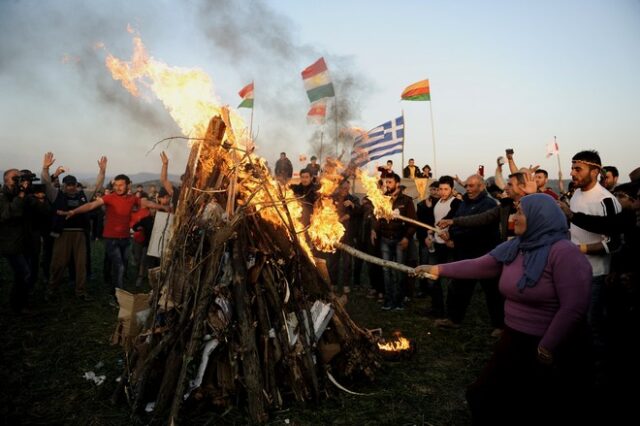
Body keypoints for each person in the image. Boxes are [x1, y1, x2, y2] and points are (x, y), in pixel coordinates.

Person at [416, 194, 593, 424]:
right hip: (515, 339)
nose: (513, 217)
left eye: (520, 212)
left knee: (542, 405)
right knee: (485, 397)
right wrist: (437, 269)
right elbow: (481, 265)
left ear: (540, 217)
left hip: (551, 345)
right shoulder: (515, 247)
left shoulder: (565, 253)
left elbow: (574, 307)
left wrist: (547, 347)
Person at [558, 150, 621, 385]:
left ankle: (598, 378)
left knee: (593, 328)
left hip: (594, 275)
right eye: (572, 168)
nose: (573, 173)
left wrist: (578, 250)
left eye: (578, 169)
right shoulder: (574, 195)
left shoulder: (605, 200)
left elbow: (613, 243)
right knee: (572, 324)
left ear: (595, 171)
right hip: (570, 274)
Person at [61, 173, 171, 301]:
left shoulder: (132, 199)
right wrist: (74, 211)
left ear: (128, 185)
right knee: (119, 266)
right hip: (111, 239)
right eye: (116, 185)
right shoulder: (109, 198)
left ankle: (115, 287)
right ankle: (116, 296)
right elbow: (91, 205)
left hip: (125, 239)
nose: (118, 188)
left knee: (122, 265)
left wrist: (163, 207)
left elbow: (146, 203)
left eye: (121, 185)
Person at [436, 175, 503, 331]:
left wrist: (456, 233)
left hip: (484, 253)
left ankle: (500, 325)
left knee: (492, 291)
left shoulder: (489, 204)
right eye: (466, 186)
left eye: (472, 186)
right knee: (458, 288)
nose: (468, 189)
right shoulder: (464, 203)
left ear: (481, 187)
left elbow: (478, 225)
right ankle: (453, 319)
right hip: (464, 253)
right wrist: (450, 235)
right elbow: (457, 221)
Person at [41, 152, 106, 301]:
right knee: (58, 263)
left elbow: (97, 186)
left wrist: (102, 171)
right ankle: (52, 289)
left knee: (81, 264)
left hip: (79, 234)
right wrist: (45, 168)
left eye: (73, 185)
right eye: (68, 185)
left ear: (76, 185)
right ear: (63, 185)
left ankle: (81, 292)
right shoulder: (56, 194)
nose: (71, 188)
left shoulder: (83, 195)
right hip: (62, 233)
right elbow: (45, 183)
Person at [371, 173, 417, 310]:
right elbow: (378, 218)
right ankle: (389, 300)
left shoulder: (406, 201)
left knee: (398, 271)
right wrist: (374, 229)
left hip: (399, 240)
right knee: (386, 271)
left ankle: (399, 301)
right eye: (385, 183)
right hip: (385, 239)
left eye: (389, 182)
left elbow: (413, 223)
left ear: (397, 183)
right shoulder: (382, 199)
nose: (386, 185)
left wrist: (406, 238)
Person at [0, 169, 33, 313]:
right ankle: (17, 305)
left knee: (22, 274)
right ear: (5, 180)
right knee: (24, 273)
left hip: (23, 241)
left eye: (19, 178)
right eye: (15, 179)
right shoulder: (2, 197)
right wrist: (20, 196)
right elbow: (7, 215)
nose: (18, 181)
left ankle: (20, 303)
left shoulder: (22, 194)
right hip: (9, 242)